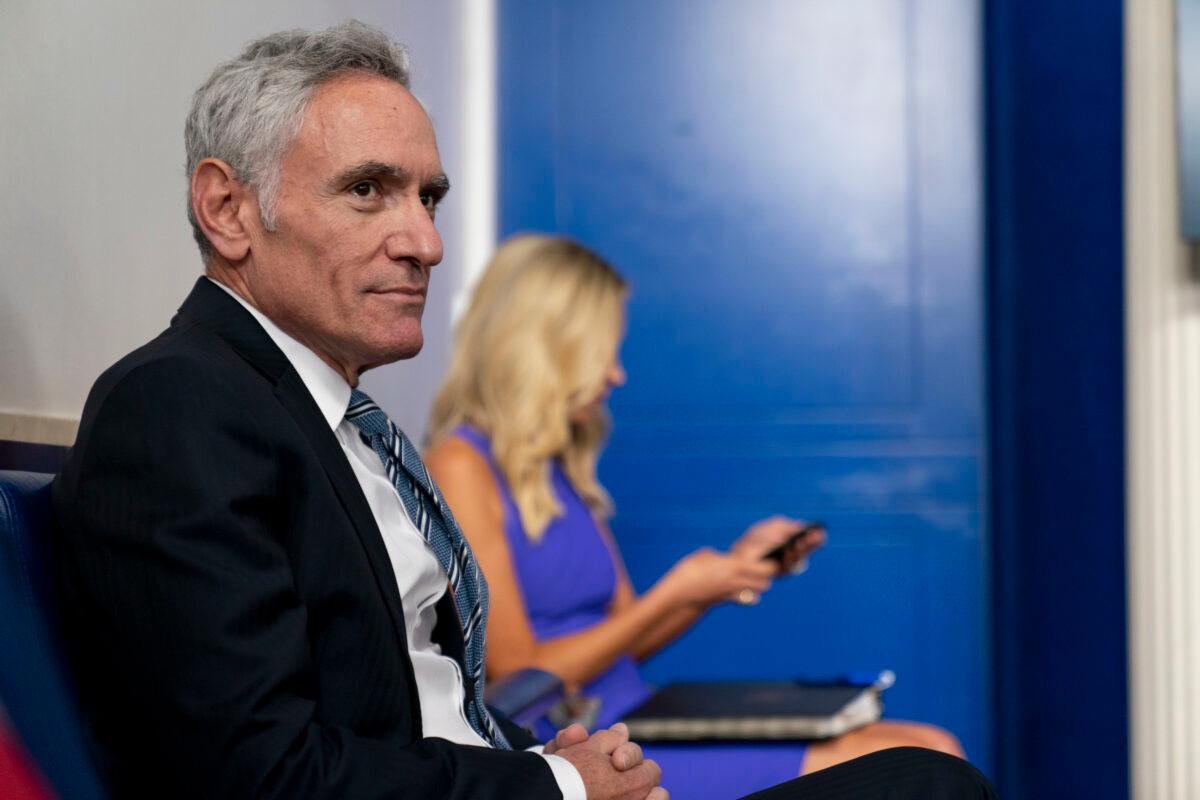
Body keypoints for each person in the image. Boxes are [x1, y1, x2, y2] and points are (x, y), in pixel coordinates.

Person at [52, 19, 995, 800]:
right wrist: (563, 784)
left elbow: (442, 699)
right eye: (368, 191)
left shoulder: (340, 424)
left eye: (429, 198)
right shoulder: (175, 404)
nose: (424, 240)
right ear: (227, 209)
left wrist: (597, 768)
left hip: (533, 766)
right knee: (924, 784)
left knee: (920, 770)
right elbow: (259, 773)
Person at [425, 234, 968, 793]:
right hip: (585, 745)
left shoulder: (558, 468)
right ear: (543, 346)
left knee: (930, 743)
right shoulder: (461, 464)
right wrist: (676, 588)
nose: (617, 375)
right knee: (927, 761)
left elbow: (624, 641)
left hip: (635, 715)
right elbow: (519, 675)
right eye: (603, 352)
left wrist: (722, 577)